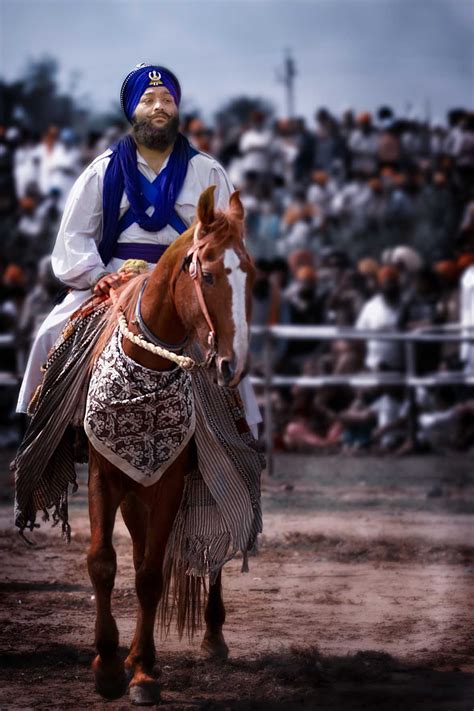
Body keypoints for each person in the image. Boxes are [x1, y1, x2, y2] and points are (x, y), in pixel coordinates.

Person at [16, 63, 261, 436]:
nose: (159, 107)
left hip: (188, 280)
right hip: (116, 277)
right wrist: (98, 275)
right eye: (148, 100)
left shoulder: (206, 170)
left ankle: (236, 440)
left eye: (167, 100)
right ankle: (52, 436)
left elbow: (226, 240)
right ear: (132, 111)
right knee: (52, 331)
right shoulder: (102, 170)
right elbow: (74, 237)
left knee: (227, 343)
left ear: (178, 110)